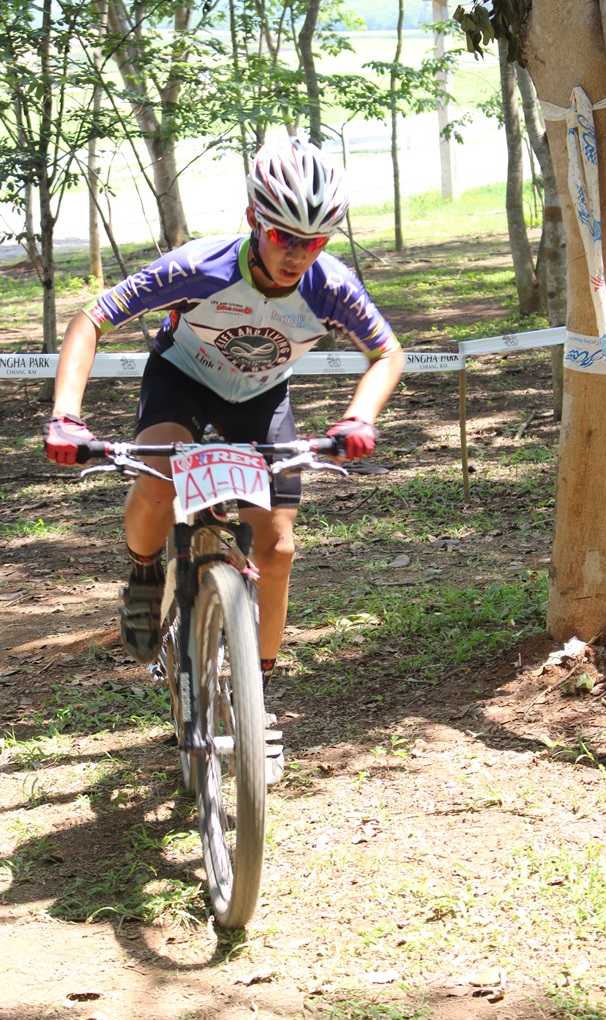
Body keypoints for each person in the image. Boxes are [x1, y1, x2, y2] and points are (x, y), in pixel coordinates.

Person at [42, 138, 404, 725]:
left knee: (278, 548)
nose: (297, 255)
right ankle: (143, 572)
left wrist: (359, 416)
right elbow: (92, 320)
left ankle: (254, 695)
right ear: (254, 219)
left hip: (260, 400)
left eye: (314, 242)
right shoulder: (197, 267)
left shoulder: (331, 286)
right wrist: (66, 415)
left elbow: (387, 353)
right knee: (158, 477)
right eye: (283, 235)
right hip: (181, 380)